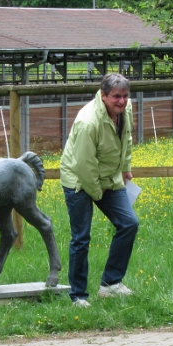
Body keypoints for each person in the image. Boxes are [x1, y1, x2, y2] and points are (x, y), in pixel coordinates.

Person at [60, 73, 139, 307]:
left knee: (129, 223)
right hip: (79, 179)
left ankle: (111, 284)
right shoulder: (88, 122)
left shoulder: (126, 109)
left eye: (125, 96)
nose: (122, 101)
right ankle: (78, 296)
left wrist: (125, 169)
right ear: (103, 95)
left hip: (108, 176)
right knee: (81, 237)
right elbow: (84, 164)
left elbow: (127, 138)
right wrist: (96, 192)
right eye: (116, 96)